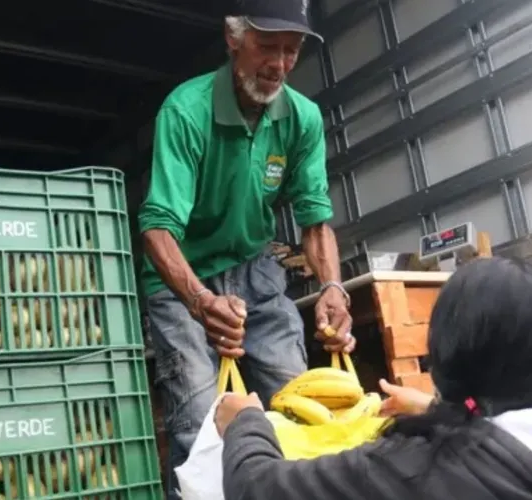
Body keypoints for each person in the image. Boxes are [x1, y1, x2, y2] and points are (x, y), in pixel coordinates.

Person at [137, 0, 354, 497]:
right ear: (234, 38)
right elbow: (156, 229)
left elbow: (315, 220)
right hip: (182, 279)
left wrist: (333, 288)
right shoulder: (186, 110)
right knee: (199, 423)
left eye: (291, 50)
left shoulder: (302, 118)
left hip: (255, 270)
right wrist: (199, 302)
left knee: (298, 400)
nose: (278, 64)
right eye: (267, 46)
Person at [215, 257, 532, 500]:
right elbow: (509, 445)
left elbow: (257, 490)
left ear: (445, 358)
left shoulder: (414, 472)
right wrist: (435, 410)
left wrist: (245, 424)